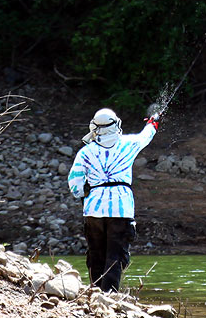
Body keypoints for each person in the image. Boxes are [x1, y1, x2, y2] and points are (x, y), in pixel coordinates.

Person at [67, 107, 160, 292]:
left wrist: (84, 194)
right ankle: (109, 297)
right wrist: (153, 121)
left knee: (96, 254)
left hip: (93, 210)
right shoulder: (128, 144)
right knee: (115, 256)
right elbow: (146, 136)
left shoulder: (85, 152)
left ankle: (96, 293)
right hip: (121, 210)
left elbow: (74, 183)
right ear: (116, 125)